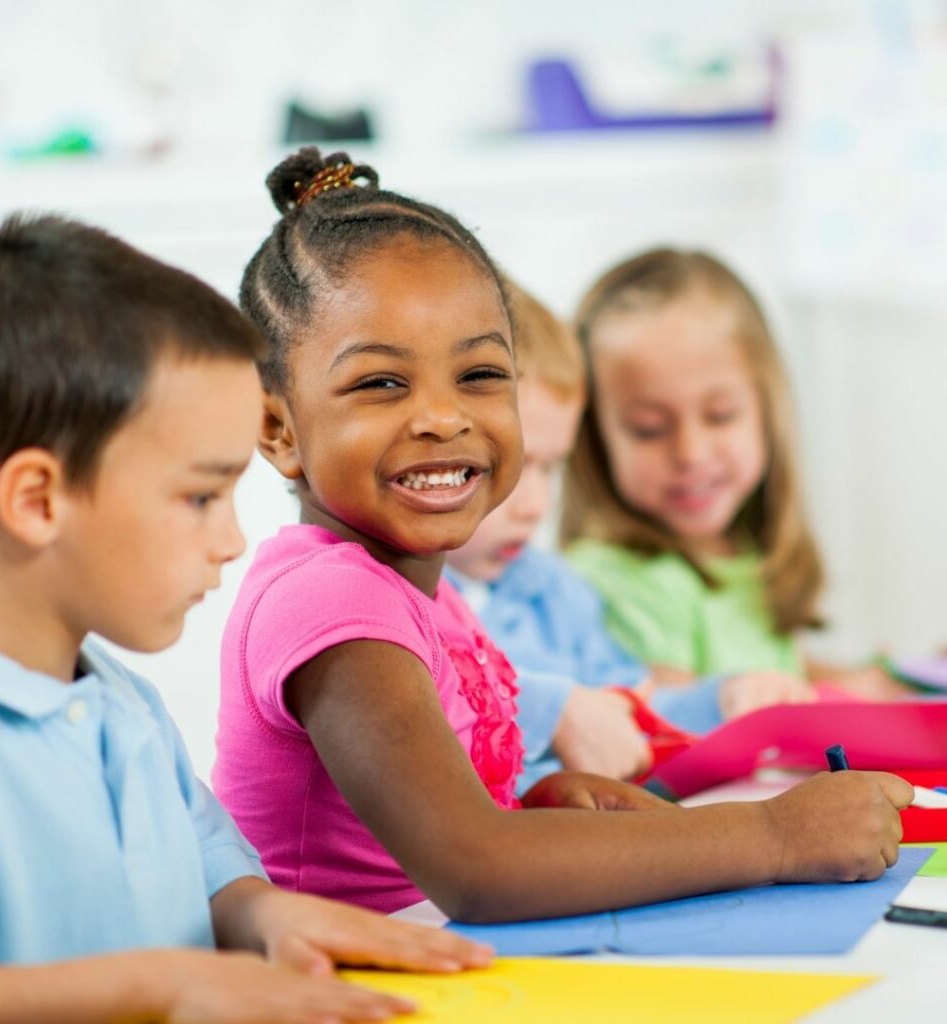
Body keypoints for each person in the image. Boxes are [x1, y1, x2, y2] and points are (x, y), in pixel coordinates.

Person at [214, 147, 911, 927]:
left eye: (480, 375)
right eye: (382, 382)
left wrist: (534, 805)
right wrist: (777, 835)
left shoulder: (419, 591)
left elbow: (455, 834)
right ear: (277, 427)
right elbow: (476, 869)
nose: (445, 417)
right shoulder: (330, 601)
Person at [0, 213, 490, 1024]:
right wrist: (167, 987)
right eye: (199, 497)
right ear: (37, 500)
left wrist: (269, 918)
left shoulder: (121, 701)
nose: (230, 542)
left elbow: (213, 869)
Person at [444, 280, 818, 790]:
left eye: (550, 469)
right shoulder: (399, 601)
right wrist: (553, 712)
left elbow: (634, 704)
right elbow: (418, 702)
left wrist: (725, 698)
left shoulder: (557, 591)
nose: (535, 506)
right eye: (503, 467)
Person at [562, 248, 906, 698]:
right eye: (649, 429)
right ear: (596, 438)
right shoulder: (619, 578)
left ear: (766, 410)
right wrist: (834, 699)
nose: (690, 452)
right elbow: (674, 728)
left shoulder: (739, 551)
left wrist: (871, 679)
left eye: (721, 416)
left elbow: (776, 666)